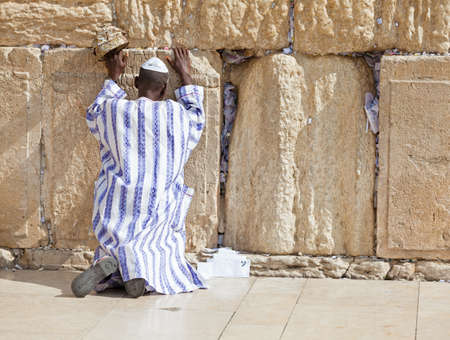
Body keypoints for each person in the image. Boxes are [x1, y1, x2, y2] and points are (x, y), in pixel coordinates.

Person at [71, 47, 208, 298]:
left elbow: (94, 114)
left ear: (135, 83)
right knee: (161, 246)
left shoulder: (115, 111)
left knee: (115, 239)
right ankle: (140, 276)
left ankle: (113, 268)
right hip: (157, 205)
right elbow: (197, 116)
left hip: (118, 205)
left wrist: (113, 75)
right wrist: (185, 73)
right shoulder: (177, 115)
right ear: (165, 89)